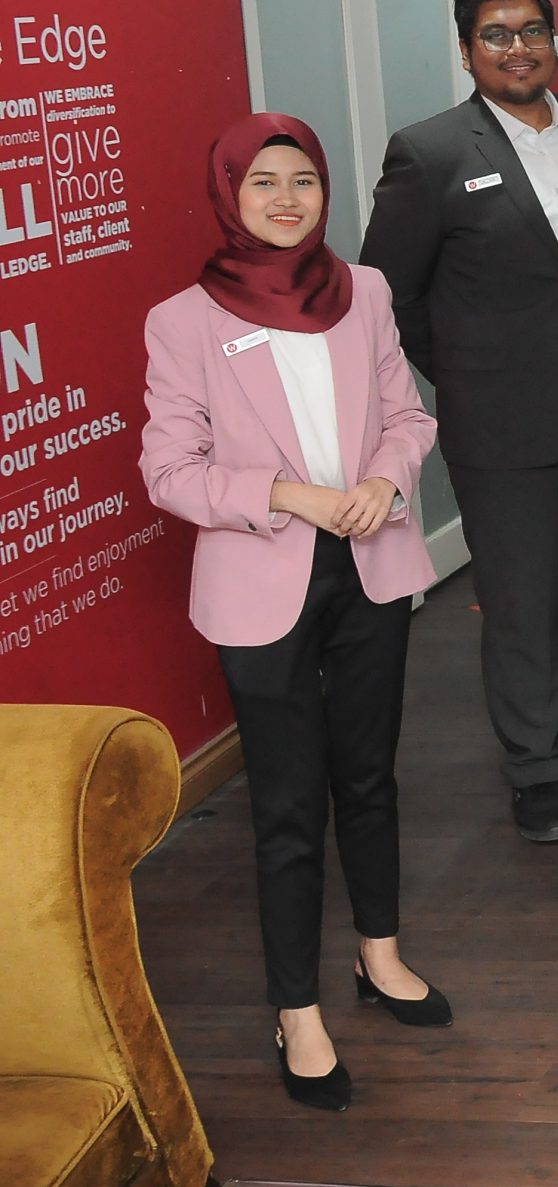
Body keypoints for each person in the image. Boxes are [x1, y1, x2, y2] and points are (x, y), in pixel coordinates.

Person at [140, 114, 449, 1113]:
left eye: (303, 179)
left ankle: (379, 953)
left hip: (370, 559)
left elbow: (408, 417)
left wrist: (385, 478)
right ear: (228, 194)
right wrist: (289, 494)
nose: (286, 198)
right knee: (285, 801)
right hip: (261, 578)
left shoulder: (366, 292)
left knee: (368, 774)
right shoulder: (182, 321)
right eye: (263, 181)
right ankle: (296, 1008)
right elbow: (168, 471)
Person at [360, 0, 558, 845]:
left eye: (532, 30)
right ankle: (536, 765)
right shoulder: (430, 152)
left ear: (553, 38)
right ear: (467, 52)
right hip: (500, 416)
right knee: (521, 597)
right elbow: (388, 293)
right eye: (496, 35)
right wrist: (464, 371)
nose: (518, 48)